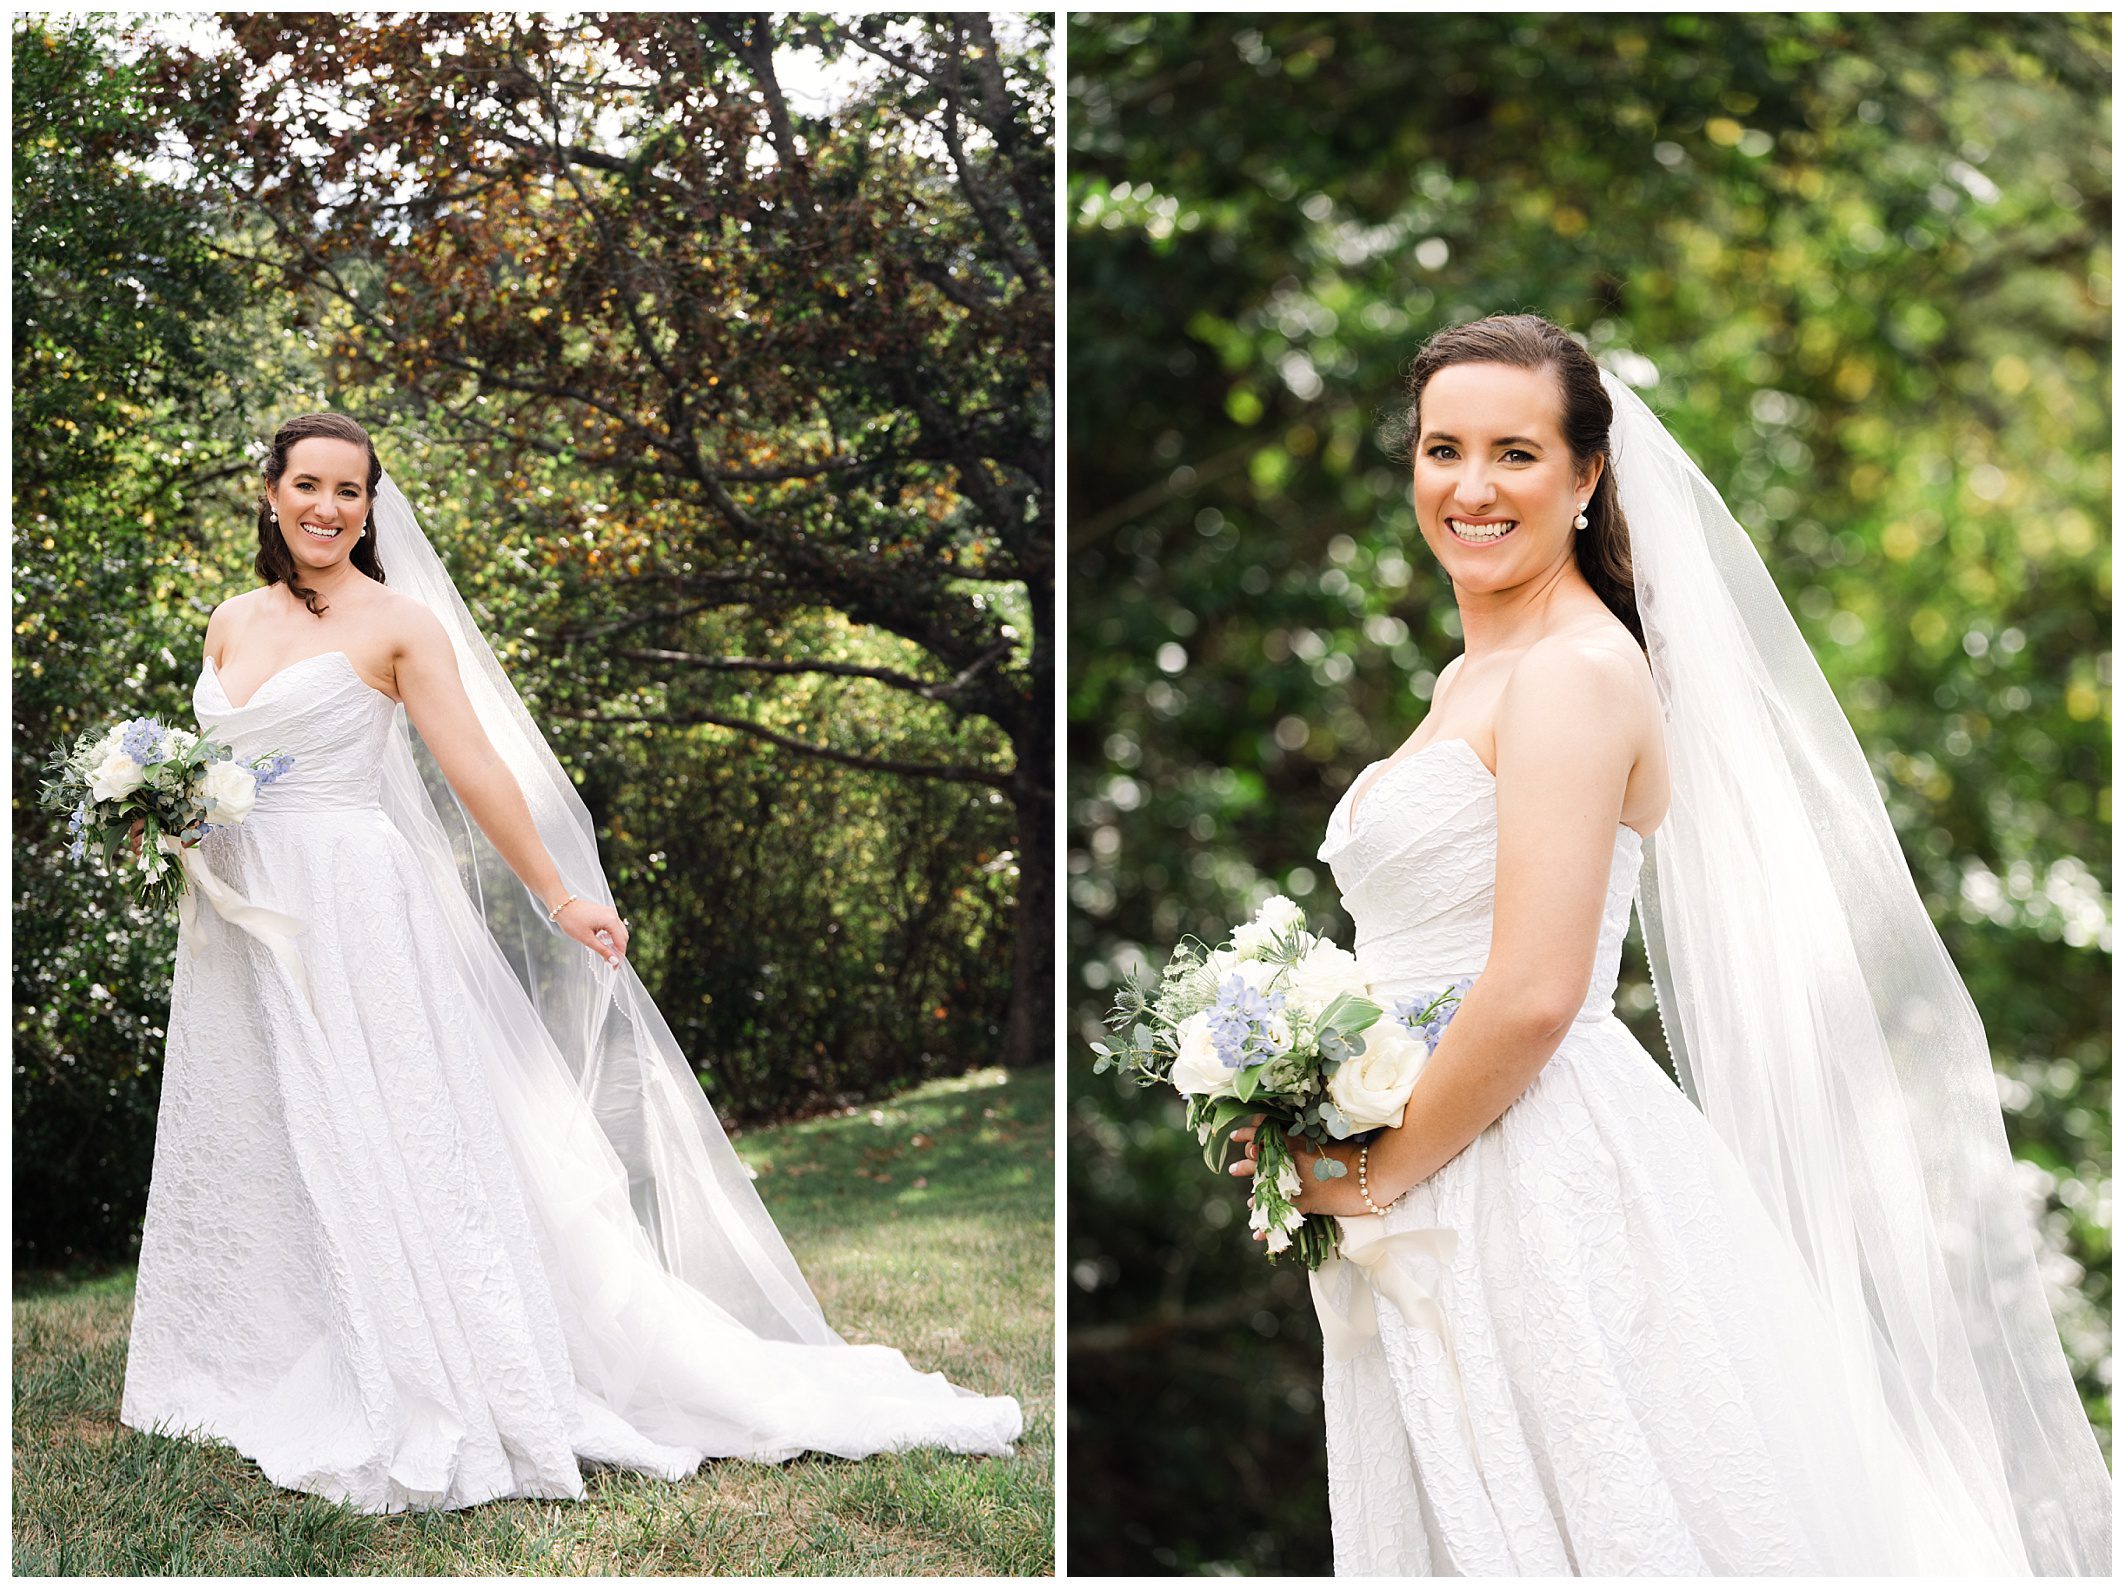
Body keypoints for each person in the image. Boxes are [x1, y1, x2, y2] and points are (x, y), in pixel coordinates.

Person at [1231, 315, 2107, 1574]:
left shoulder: (1576, 674)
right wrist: (1305, 1085)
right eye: (1442, 449)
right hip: (1445, 1152)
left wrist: (1362, 1176)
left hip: (1528, 1162)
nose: (1470, 488)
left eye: (1515, 453)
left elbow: (1535, 990)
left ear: (1587, 478)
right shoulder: (1466, 679)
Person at [119, 412, 1021, 1514]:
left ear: (369, 506)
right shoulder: (230, 619)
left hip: (352, 904)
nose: (326, 508)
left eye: (349, 491)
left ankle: (433, 1355)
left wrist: (559, 891)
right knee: (267, 1121)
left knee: (382, 1122)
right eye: (307, 484)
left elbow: (477, 768)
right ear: (270, 491)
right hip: (243, 909)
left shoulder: (397, 624)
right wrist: (166, 812)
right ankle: (268, 1346)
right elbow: (224, 770)